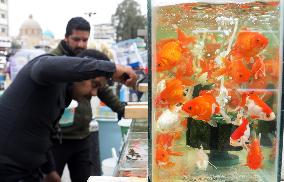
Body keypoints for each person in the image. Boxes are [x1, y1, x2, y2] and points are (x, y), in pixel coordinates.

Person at [0, 49, 137, 182]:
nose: (94, 93)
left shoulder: (63, 94)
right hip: (9, 167)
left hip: (30, 168)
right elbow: (43, 67)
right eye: (94, 84)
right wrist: (111, 68)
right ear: (80, 73)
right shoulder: (46, 72)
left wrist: (49, 170)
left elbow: (45, 130)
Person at [46, 17, 129, 181]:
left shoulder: (87, 59)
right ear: (66, 38)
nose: (81, 44)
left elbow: (102, 88)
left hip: (82, 135)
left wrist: (123, 109)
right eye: (76, 39)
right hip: (57, 138)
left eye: (85, 40)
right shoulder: (52, 61)